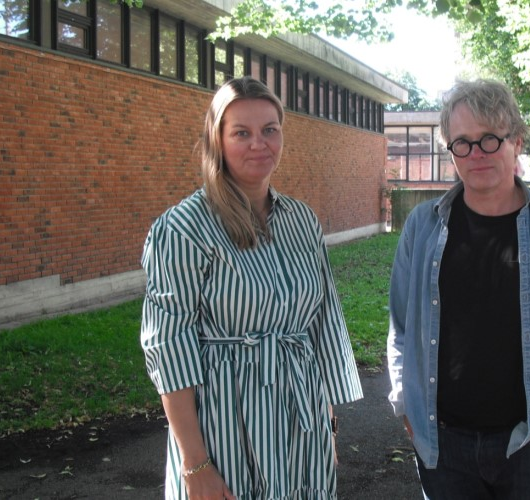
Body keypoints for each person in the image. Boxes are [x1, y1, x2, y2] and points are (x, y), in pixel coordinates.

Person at [140, 76, 363, 500]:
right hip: (224, 424)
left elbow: (322, 322)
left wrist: (327, 423)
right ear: (217, 140)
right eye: (241, 132)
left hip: (301, 420)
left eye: (269, 130)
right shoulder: (184, 229)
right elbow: (168, 346)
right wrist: (194, 464)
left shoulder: (301, 220)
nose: (258, 144)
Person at [387, 79, 530, 499]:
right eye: (462, 143)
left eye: (489, 139)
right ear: (450, 151)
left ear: (517, 141)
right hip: (444, 446)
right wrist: (406, 410)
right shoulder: (423, 226)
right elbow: (401, 328)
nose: (477, 154)